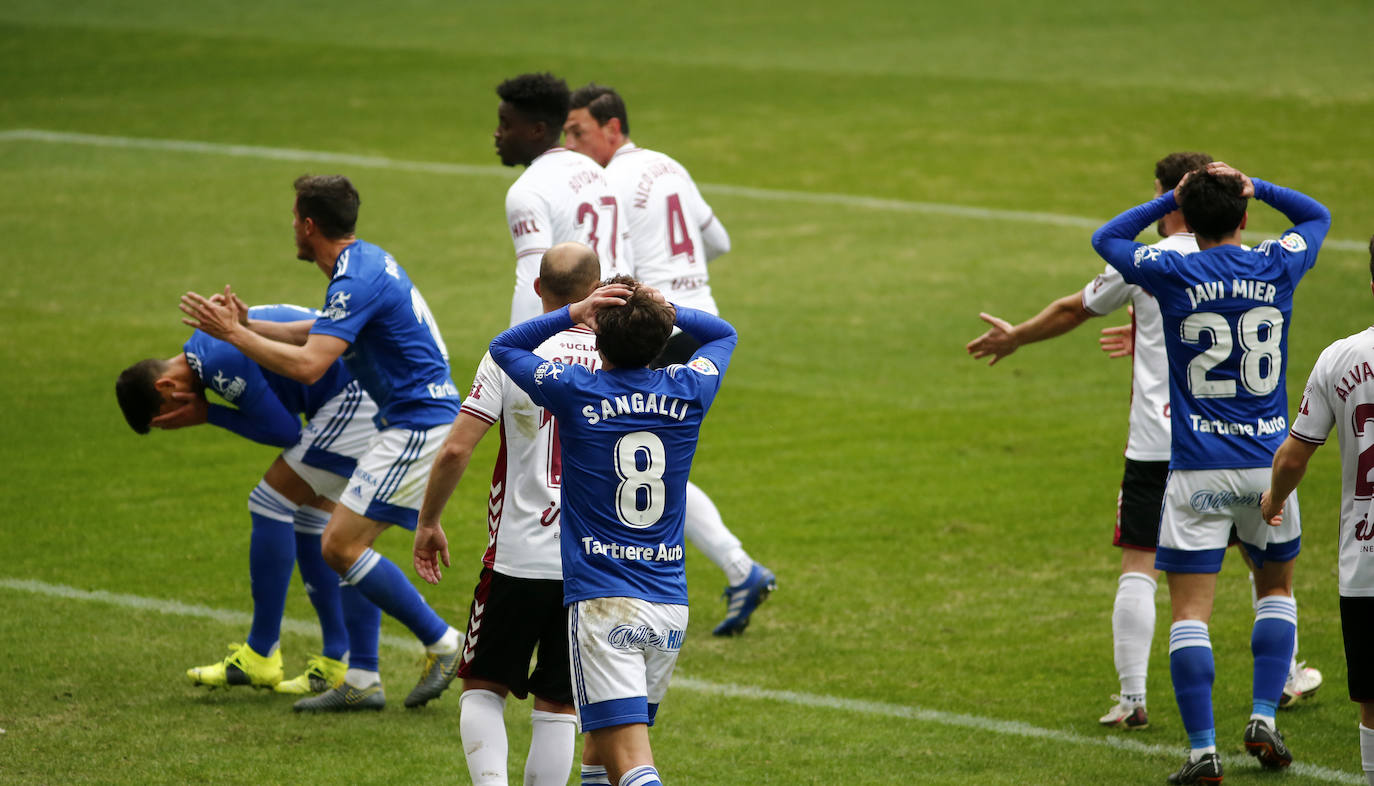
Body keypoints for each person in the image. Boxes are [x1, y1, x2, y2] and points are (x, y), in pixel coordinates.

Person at [966, 152, 1321, 729]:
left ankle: (1134, 699)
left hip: (1169, 446)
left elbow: (1074, 302)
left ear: (1172, 197)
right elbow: (1315, 219)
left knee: (1142, 565)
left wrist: (1018, 338)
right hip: (1252, 446)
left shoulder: (1154, 262)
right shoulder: (1263, 261)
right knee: (1269, 568)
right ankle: (1278, 685)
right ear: (1239, 209)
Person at [179, 174, 464, 712]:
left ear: (309, 225)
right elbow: (320, 327)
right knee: (346, 544)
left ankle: (444, 643)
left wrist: (236, 336)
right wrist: (248, 322)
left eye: (294, 219)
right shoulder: (365, 263)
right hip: (407, 419)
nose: (292, 227)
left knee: (339, 545)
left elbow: (311, 366)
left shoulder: (353, 280)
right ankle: (361, 678)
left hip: (418, 422)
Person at [1091, 161, 1330, 783]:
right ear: (1245, 218)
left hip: (1196, 470)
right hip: (1267, 467)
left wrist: (1167, 201)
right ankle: (1262, 717)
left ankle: (1203, 754)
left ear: (1186, 222)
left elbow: (1108, 240)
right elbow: (1316, 215)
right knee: (1275, 591)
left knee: (1190, 613)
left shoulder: (1171, 269)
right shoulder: (1277, 263)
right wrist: (1260, 185)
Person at [488, 275, 737, 786]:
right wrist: (662, 307)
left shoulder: (576, 390)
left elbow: (503, 346)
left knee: (633, 765)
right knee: (600, 749)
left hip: (604, 603)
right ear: (663, 342)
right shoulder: (688, 389)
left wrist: (572, 311)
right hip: (669, 604)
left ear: (597, 338)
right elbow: (723, 333)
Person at [562, 82, 775, 636]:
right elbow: (719, 241)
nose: (571, 144)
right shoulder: (668, 166)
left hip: (649, 330)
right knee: (657, 457)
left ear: (613, 129)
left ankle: (723, 568)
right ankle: (738, 569)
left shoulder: (607, 182)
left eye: (578, 132)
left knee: (620, 451)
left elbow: (611, 269)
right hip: (701, 325)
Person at [412, 243, 601, 786]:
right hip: (589, 566)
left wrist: (428, 523)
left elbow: (455, 450)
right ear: (598, 290)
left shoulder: (510, 353)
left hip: (517, 559)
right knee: (558, 705)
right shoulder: (622, 353)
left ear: (538, 290)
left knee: (482, 687)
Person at [117, 303, 374, 696]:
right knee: (309, 521)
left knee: (269, 502)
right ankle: (336, 660)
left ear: (166, 388)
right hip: (360, 388)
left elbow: (284, 430)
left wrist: (208, 416)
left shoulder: (215, 360)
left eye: (169, 418)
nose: (178, 423)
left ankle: (261, 653)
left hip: (357, 396)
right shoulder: (205, 347)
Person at [1261, 234, 1374, 786]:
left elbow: (1293, 456)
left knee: (1371, 702)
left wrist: (1274, 500)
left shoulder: (1341, 358)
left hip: (1366, 563)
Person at [494, 72, 631, 326]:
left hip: (580, 327)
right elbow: (627, 253)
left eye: (505, 124)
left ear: (537, 130)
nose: (497, 133)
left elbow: (533, 281)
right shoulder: (598, 172)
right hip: (622, 323)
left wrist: (514, 351)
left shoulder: (528, 189)